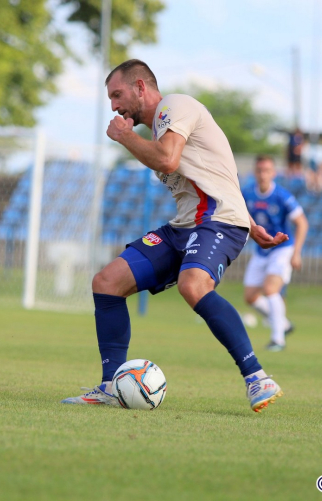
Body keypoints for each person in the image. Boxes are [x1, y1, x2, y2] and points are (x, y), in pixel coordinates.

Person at [61, 60, 288, 413]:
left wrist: (124, 136)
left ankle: (257, 377)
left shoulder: (175, 106)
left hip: (218, 220)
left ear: (140, 86)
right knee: (106, 282)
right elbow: (215, 169)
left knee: (193, 285)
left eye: (117, 95)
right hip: (186, 226)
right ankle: (109, 385)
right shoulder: (157, 131)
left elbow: (168, 161)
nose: (114, 106)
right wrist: (252, 221)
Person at [242, 156, 308, 351]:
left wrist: (296, 253)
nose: (263, 174)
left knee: (271, 290)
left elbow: (302, 222)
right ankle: (284, 324)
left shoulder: (282, 196)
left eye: (267, 170)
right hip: (262, 250)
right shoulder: (248, 194)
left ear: (273, 173)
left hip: (282, 249)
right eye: (260, 170)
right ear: (256, 172)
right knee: (250, 297)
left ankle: (278, 339)